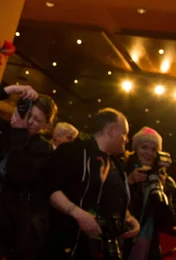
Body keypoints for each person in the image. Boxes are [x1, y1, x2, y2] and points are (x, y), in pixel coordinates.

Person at [0, 84, 57, 260]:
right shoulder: (4, 130)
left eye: (37, 120)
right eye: (29, 115)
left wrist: (20, 134)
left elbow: (18, 174)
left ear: (46, 126)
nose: (29, 121)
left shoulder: (42, 150)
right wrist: (12, 89)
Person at [43, 108, 140, 259]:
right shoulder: (73, 150)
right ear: (112, 130)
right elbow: (50, 187)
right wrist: (77, 213)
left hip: (102, 249)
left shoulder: (116, 164)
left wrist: (128, 217)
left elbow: (114, 200)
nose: (126, 140)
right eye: (124, 133)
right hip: (69, 245)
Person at [122, 127, 176, 260]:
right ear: (135, 148)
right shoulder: (121, 170)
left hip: (150, 247)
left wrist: (162, 192)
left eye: (154, 150)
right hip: (122, 241)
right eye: (144, 147)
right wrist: (128, 182)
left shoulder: (165, 180)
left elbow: (168, 222)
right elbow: (107, 202)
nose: (149, 153)